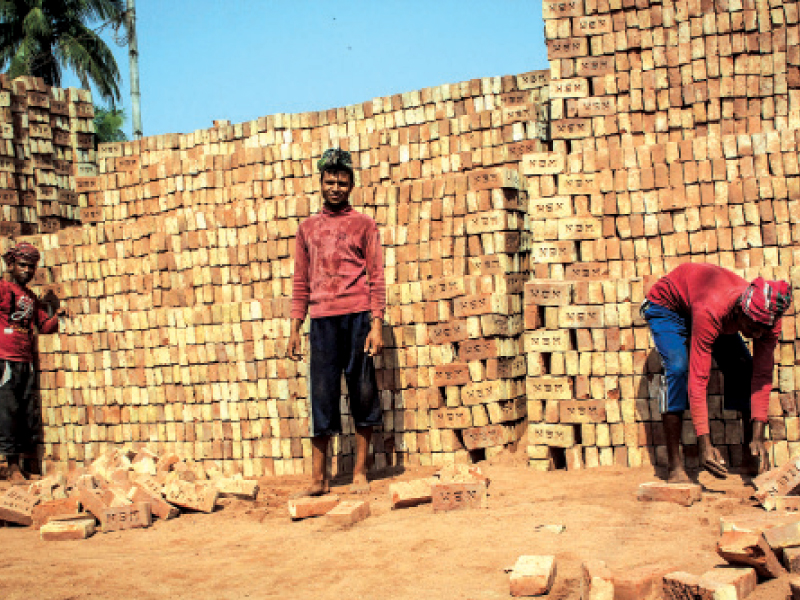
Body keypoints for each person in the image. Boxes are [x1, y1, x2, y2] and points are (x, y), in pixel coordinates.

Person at [287, 148, 385, 495]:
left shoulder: (364, 225)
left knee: (362, 393)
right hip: (323, 321)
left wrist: (376, 324)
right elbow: (301, 281)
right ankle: (319, 478)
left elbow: (376, 275)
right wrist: (296, 327)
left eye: (342, 183)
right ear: (320, 184)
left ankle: (360, 471)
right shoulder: (307, 229)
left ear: (351, 185)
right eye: (330, 181)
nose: (335, 188)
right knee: (322, 397)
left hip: (357, 316)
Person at [642, 262, 791, 482]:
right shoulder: (713, 308)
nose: (757, 335)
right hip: (666, 308)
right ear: (740, 312)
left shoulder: (769, 319)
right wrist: (705, 442)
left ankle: (750, 455)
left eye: (763, 329)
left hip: (705, 306)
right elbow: (699, 377)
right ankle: (675, 466)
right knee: (676, 367)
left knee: (743, 366)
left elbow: (762, 377)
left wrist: (759, 434)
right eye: (752, 328)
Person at [0, 242, 70, 481]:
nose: (27, 271)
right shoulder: (2, 288)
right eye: (22, 265)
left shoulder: (30, 297)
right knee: (8, 410)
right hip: (5, 358)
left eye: (31, 267)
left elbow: (44, 327)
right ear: (10, 265)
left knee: (26, 412)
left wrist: (58, 316)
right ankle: (11, 466)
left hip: (25, 359)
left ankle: (27, 465)